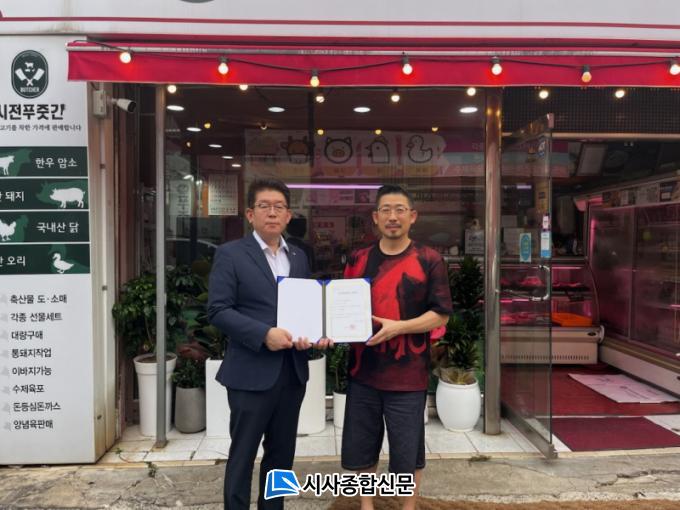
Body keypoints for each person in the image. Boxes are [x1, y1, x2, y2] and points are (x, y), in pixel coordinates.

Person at [208, 178, 330, 510]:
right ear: (250, 214)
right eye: (264, 206)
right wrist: (264, 334)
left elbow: (303, 307)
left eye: (279, 207)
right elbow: (218, 310)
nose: (272, 213)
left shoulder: (299, 256)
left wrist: (312, 334)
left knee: (282, 455)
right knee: (243, 454)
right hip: (251, 373)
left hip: (291, 373)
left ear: (288, 215)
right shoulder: (231, 254)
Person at [341, 184, 453, 510]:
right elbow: (342, 308)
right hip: (363, 370)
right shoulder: (358, 259)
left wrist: (399, 328)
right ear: (375, 217)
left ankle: (408, 506)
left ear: (412, 216)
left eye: (400, 210)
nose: (393, 216)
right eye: (386, 210)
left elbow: (441, 314)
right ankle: (366, 505)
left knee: (408, 448)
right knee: (363, 445)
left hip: (408, 374)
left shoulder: (430, 260)